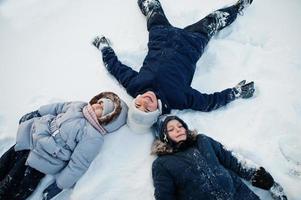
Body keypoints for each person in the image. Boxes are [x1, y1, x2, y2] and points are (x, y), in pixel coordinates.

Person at [92, 0, 255, 132]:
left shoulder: (135, 86)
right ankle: (237, 8)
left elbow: (115, 68)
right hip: (192, 42)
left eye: (138, 104)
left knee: (152, 7)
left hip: (160, 33)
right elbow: (208, 102)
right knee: (215, 20)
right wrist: (236, 92)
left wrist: (104, 47)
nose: (145, 102)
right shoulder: (178, 99)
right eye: (148, 109)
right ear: (156, 112)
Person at [0, 91, 128, 200]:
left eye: (102, 109)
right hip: (31, 135)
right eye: (99, 102)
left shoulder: (93, 136)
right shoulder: (79, 106)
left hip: (43, 159)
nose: (97, 106)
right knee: (5, 162)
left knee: (12, 185)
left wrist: (60, 185)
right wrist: (37, 113)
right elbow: (57, 108)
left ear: (108, 119)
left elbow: (78, 164)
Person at [151, 115, 288, 200]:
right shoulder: (162, 163)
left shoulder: (202, 141)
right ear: (164, 136)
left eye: (180, 126)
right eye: (171, 129)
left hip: (239, 194)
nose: (178, 129)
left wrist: (259, 176)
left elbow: (232, 160)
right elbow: (165, 196)